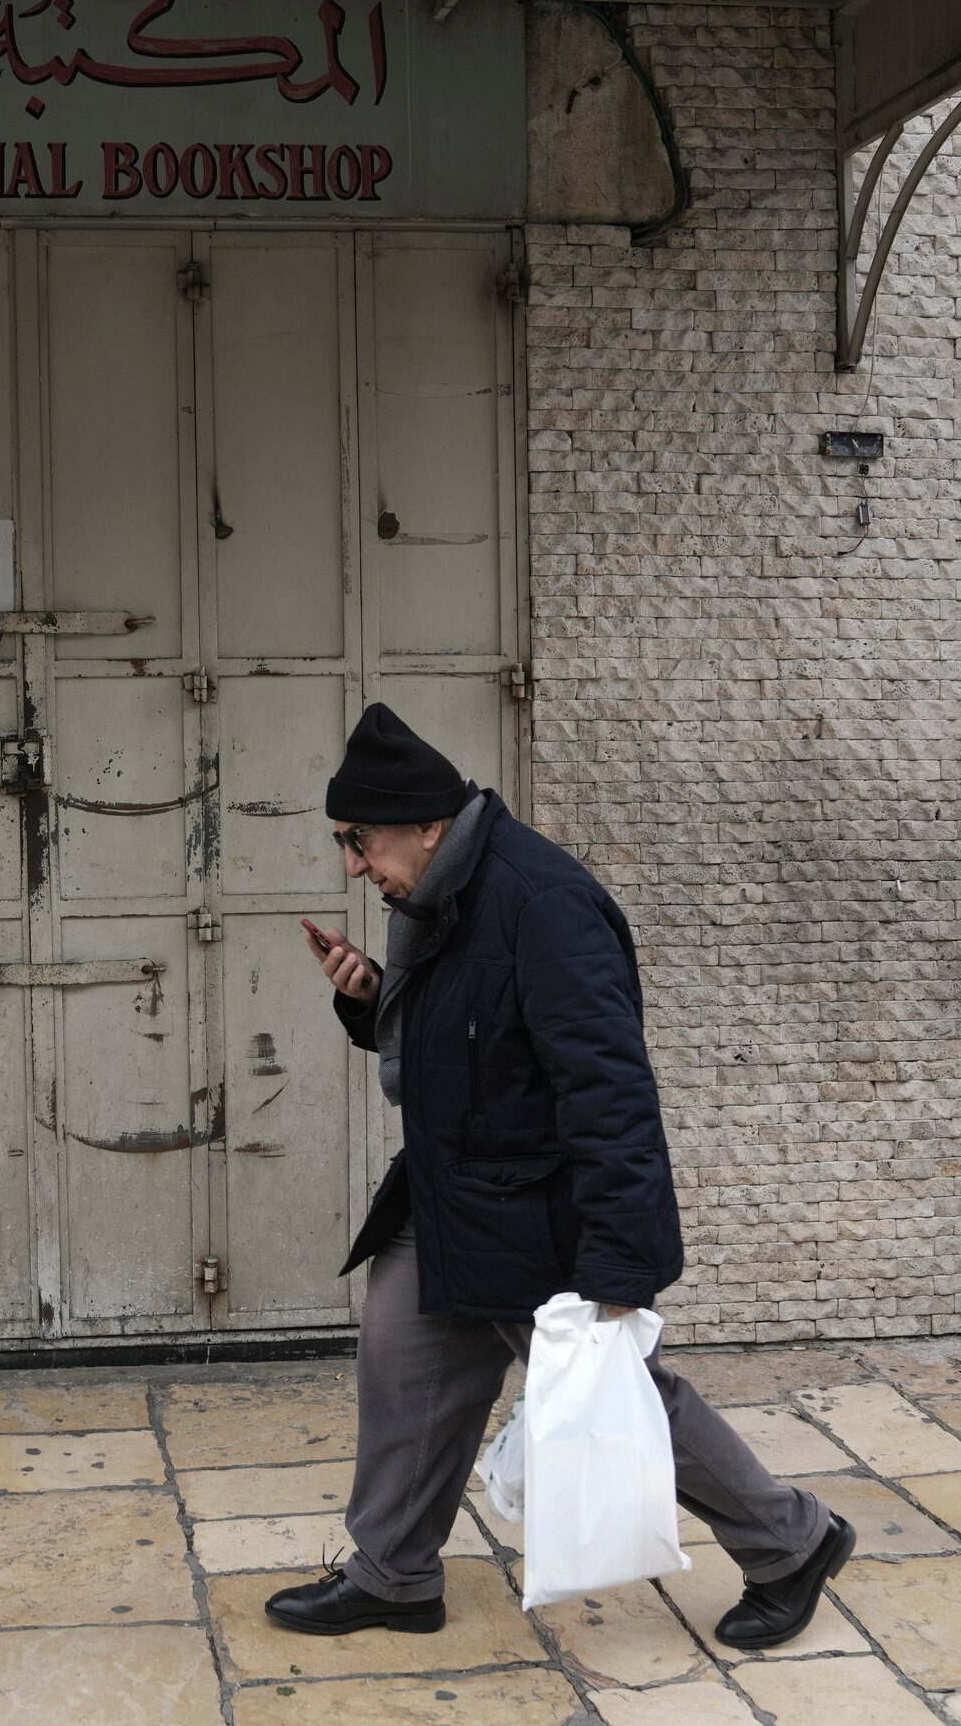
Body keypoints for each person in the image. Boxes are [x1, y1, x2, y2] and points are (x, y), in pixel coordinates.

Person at [265, 704, 852, 1649]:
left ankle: (793, 1541)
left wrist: (620, 1263)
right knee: (400, 1366)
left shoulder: (543, 904)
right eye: (345, 841)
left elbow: (610, 1090)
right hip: (445, 1196)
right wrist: (375, 998)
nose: (353, 865)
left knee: (618, 1404)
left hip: (534, 1217)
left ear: (427, 825)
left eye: (361, 841)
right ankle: (393, 1574)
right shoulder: (439, 898)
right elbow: (469, 1043)